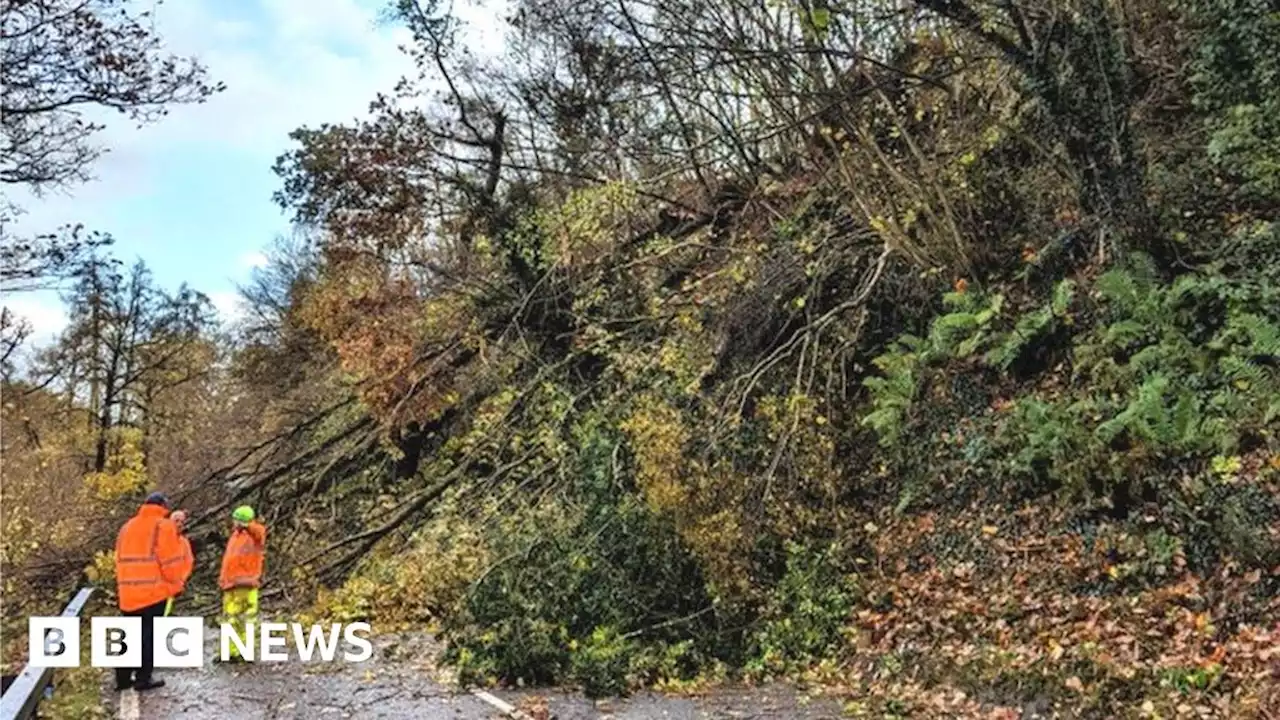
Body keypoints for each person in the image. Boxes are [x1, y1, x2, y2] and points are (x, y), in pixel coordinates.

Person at [113, 491, 186, 691]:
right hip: (153, 591)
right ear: (164, 507)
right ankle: (143, 679)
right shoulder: (163, 526)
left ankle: (122, 679)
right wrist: (176, 585)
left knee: (128, 635)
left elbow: (118, 559)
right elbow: (169, 561)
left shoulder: (126, 527)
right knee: (148, 636)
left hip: (127, 592)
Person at [218, 505, 266, 662]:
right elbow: (229, 560)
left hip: (245, 584)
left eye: (236, 519)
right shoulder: (235, 536)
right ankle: (230, 652)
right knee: (230, 619)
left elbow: (259, 533)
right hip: (230, 584)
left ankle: (244, 652)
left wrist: (247, 525)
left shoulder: (254, 534)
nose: (233, 523)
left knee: (244, 620)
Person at [165, 510, 195, 616]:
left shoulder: (184, 542)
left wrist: (181, 579)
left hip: (174, 587)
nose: (179, 524)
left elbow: (189, 562)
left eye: (182, 522)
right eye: (176, 521)